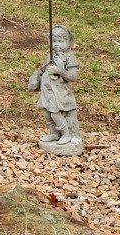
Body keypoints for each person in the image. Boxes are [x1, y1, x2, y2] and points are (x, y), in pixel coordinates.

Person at [27, 27, 84, 155]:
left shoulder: (69, 57)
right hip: (47, 90)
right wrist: (37, 76)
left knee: (55, 113)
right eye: (54, 41)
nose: (57, 44)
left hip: (59, 92)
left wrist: (59, 71)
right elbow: (43, 70)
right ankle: (54, 133)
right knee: (47, 113)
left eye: (60, 41)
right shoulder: (50, 56)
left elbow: (73, 76)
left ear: (68, 42)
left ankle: (66, 134)